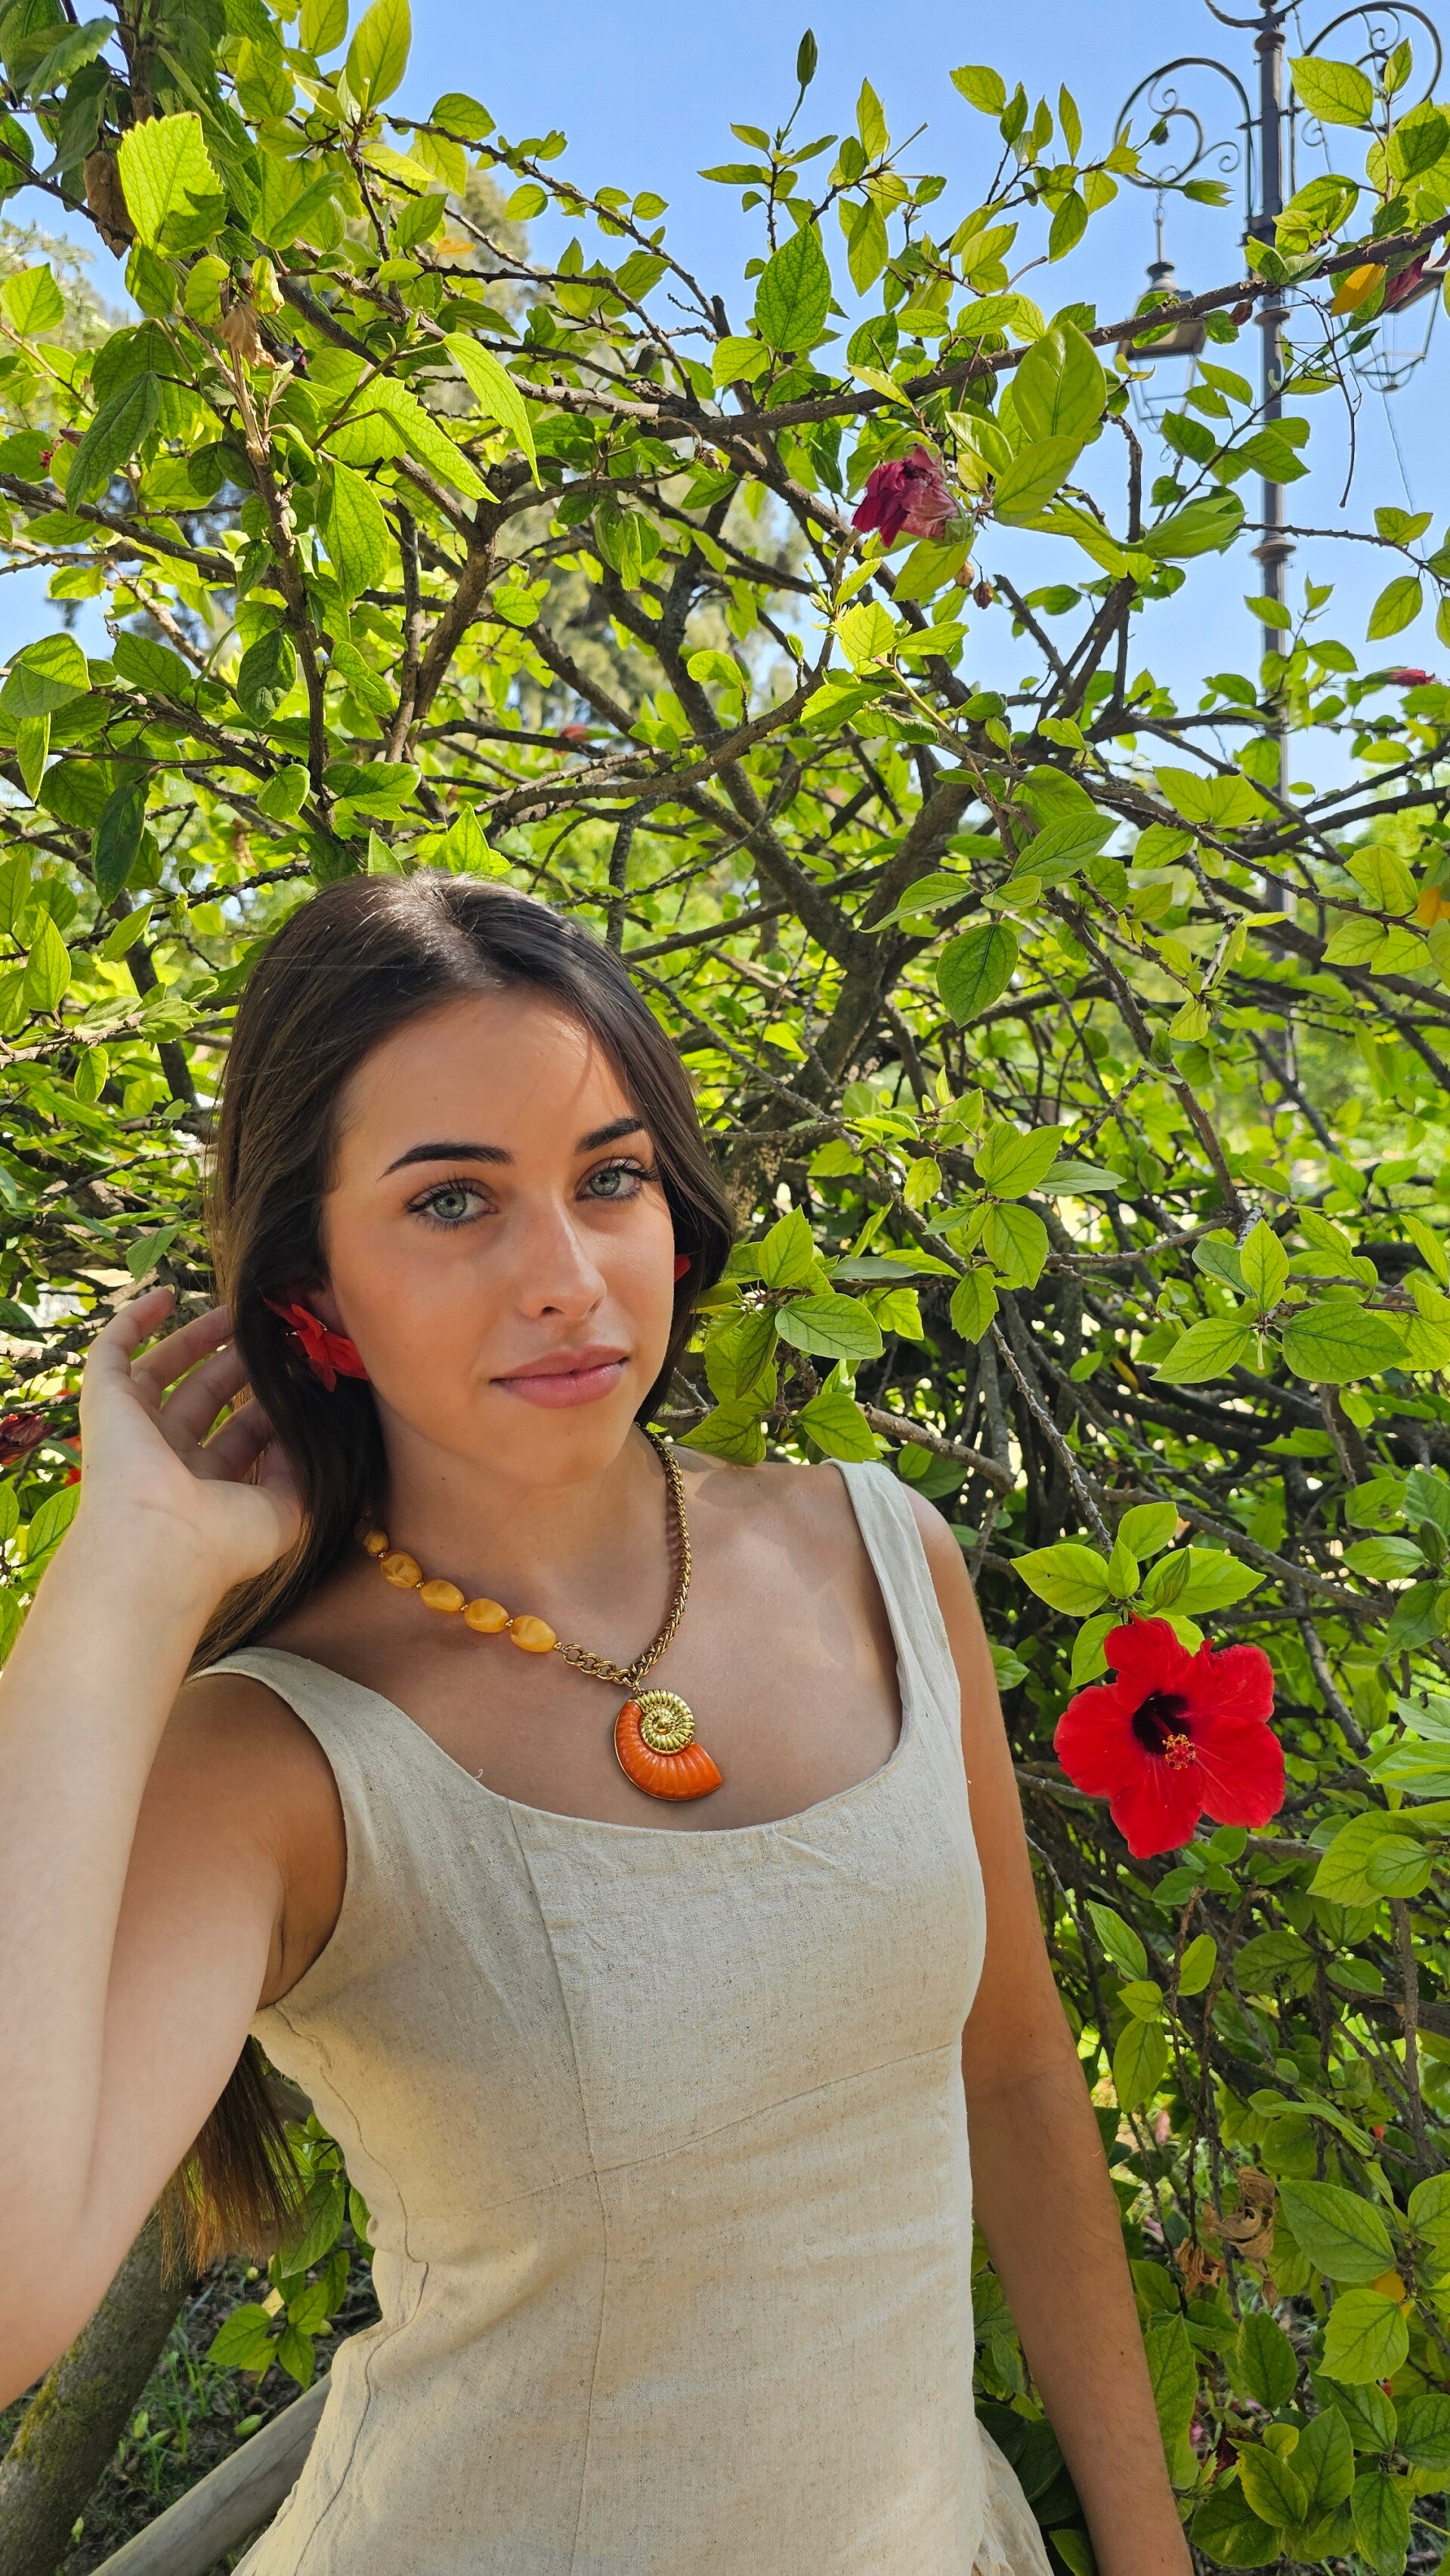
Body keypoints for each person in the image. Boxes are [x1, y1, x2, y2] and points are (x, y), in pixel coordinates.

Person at [0, 876, 1189, 2574]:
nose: (565, 1277)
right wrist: (126, 1573)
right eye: (453, 1200)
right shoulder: (278, 1759)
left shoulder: (880, 1555)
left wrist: (1147, 2553)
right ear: (315, 1295)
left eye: (609, 1178)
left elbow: (1010, 2069)